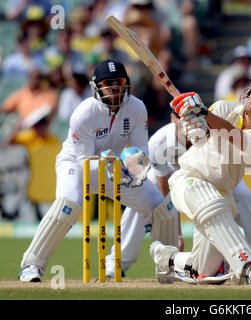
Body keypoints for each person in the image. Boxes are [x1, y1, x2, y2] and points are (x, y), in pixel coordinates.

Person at [17, 59, 177, 282]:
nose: (114, 87)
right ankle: (31, 265)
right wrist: (112, 163)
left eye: (119, 82)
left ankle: (169, 269)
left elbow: (142, 147)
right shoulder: (84, 113)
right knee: (68, 205)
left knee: (163, 209)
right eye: (108, 83)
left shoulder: (136, 107)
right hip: (76, 165)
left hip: (116, 168)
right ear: (96, 87)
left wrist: (132, 163)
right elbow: (85, 162)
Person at [105, 111, 251, 277]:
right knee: (142, 194)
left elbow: (222, 168)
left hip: (208, 175)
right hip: (173, 180)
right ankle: (117, 262)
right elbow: (164, 190)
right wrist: (177, 235)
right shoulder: (160, 142)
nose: (185, 122)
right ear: (172, 119)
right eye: (180, 117)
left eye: (189, 116)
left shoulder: (209, 132)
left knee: (244, 196)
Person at [149, 74, 251, 285]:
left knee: (204, 270)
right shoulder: (223, 107)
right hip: (189, 179)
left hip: (221, 193)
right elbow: (198, 136)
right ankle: (247, 265)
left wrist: (203, 114)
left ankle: (165, 258)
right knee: (212, 203)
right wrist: (191, 118)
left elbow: (238, 139)